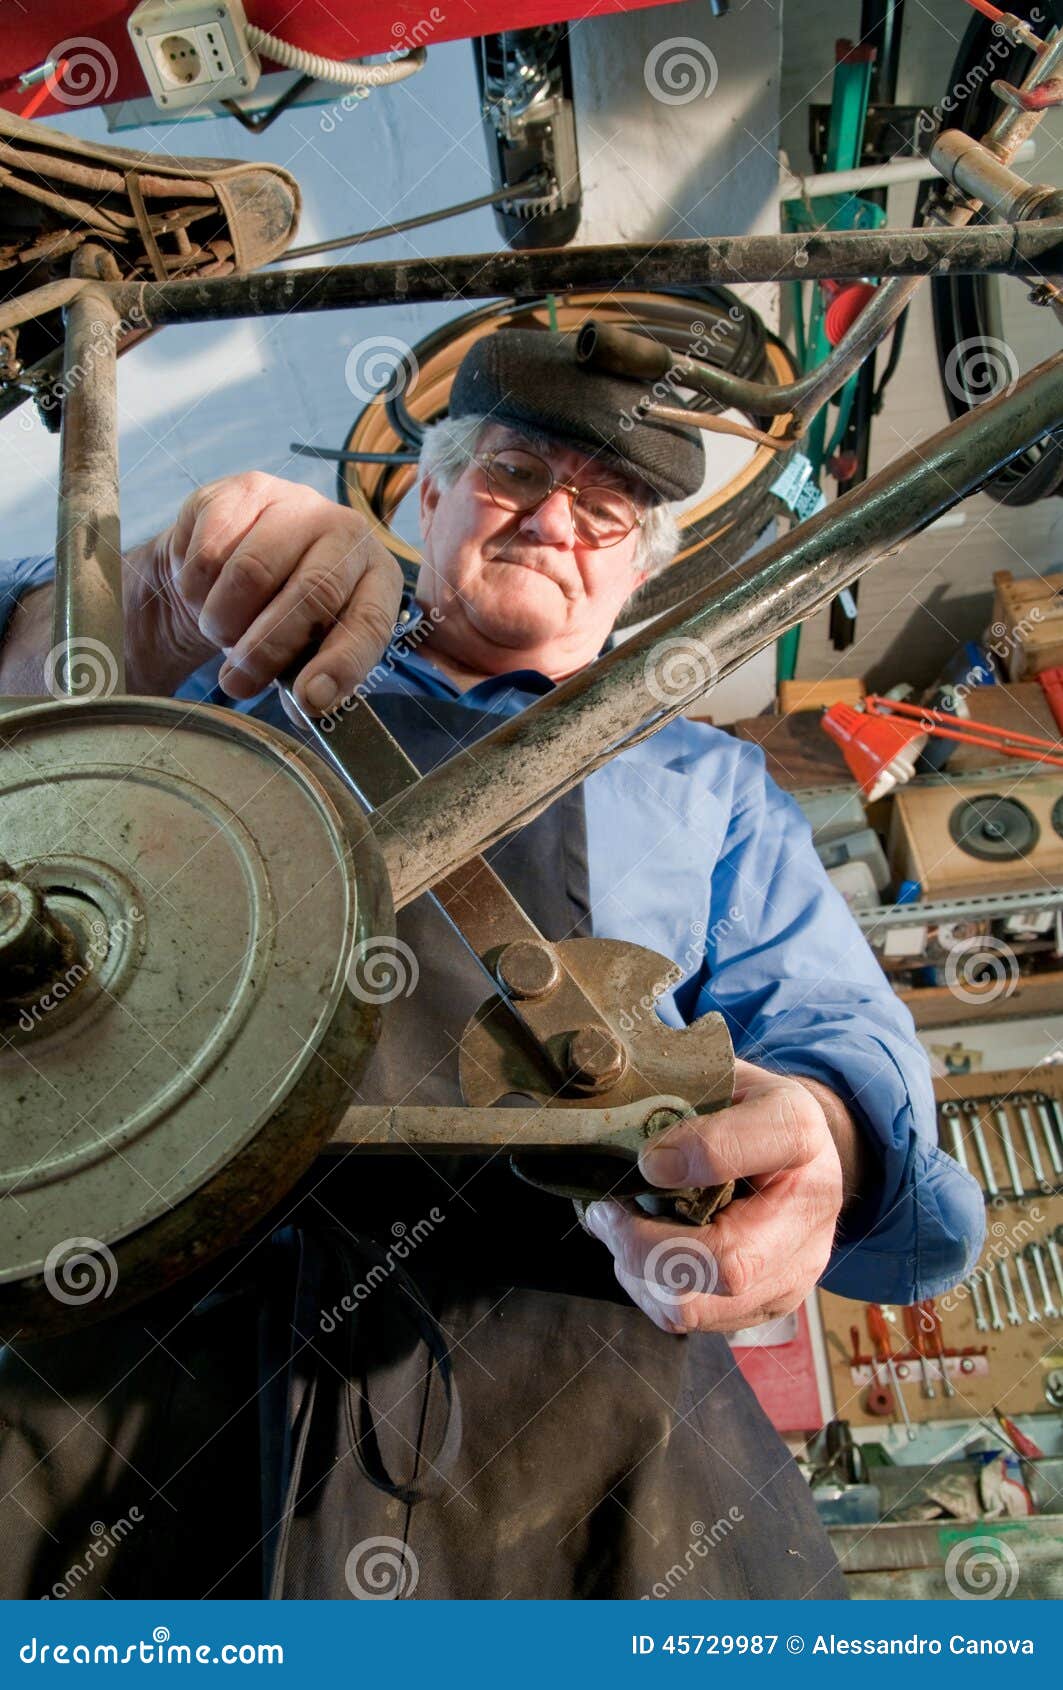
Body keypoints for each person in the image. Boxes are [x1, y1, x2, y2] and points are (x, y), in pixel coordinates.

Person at [0, 330, 983, 1601]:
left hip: (587, 1407)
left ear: (636, 571)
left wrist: (828, 1134)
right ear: (426, 494)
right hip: (135, 1350)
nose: (556, 519)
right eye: (516, 471)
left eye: (607, 508)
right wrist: (139, 606)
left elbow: (836, 1032)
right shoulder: (217, 686)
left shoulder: (710, 786)